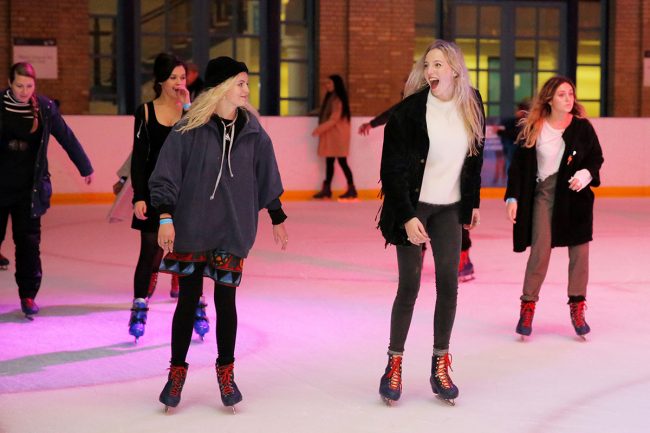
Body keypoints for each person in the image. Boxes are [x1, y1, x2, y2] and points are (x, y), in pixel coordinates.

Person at [149, 56, 288, 412]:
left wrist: (277, 215)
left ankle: (226, 373)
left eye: (246, 83)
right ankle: (176, 373)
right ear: (222, 87)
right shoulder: (189, 128)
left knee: (226, 302)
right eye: (240, 83)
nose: (246, 89)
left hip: (232, 228)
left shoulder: (254, 132)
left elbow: (267, 174)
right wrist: (165, 216)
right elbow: (166, 174)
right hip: (192, 227)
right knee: (188, 300)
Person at [377, 40, 484, 405]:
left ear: (454, 69)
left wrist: (473, 203)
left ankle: (440, 364)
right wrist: (407, 216)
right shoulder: (408, 113)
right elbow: (390, 170)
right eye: (427, 65)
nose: (430, 72)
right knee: (409, 286)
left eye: (438, 65)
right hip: (414, 206)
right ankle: (394, 363)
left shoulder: (472, 103)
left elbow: (475, 157)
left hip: (449, 210)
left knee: (449, 287)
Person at [505, 76, 604, 339]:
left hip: (575, 196)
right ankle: (527, 305)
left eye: (570, 93)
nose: (568, 98)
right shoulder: (534, 128)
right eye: (562, 94)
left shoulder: (582, 128)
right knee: (540, 250)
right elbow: (518, 167)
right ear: (549, 99)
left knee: (580, 253)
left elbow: (596, 157)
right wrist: (512, 197)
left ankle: (577, 306)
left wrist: (587, 173)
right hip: (544, 195)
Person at [0, 62, 94, 317]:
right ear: (10, 83)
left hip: (28, 191)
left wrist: (85, 166)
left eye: (29, 86)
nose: (23, 90)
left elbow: (66, 136)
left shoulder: (44, 107)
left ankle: (28, 295)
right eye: (19, 85)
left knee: (28, 244)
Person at [357, 91, 477, 284]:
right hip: (419, 178)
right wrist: (372, 124)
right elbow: (393, 113)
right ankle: (416, 257)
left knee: (454, 219)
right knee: (416, 217)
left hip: (448, 178)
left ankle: (463, 257)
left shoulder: (451, 108)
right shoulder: (409, 109)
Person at [127, 53, 191, 341]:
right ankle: (140, 304)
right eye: (174, 77)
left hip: (185, 193)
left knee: (189, 251)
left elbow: (198, 146)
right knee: (150, 250)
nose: (179, 82)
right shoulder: (146, 112)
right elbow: (139, 159)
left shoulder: (190, 111)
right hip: (154, 193)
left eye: (183, 77)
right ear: (161, 80)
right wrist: (138, 196)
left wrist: (189, 106)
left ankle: (195, 304)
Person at [311, 74, 357, 200]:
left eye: (329, 83)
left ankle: (352, 189)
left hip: (338, 136)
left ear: (336, 85)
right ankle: (327, 190)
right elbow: (326, 113)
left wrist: (319, 129)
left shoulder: (338, 100)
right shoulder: (331, 98)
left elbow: (334, 118)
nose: (327, 86)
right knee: (329, 162)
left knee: (342, 162)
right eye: (327, 83)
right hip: (332, 135)